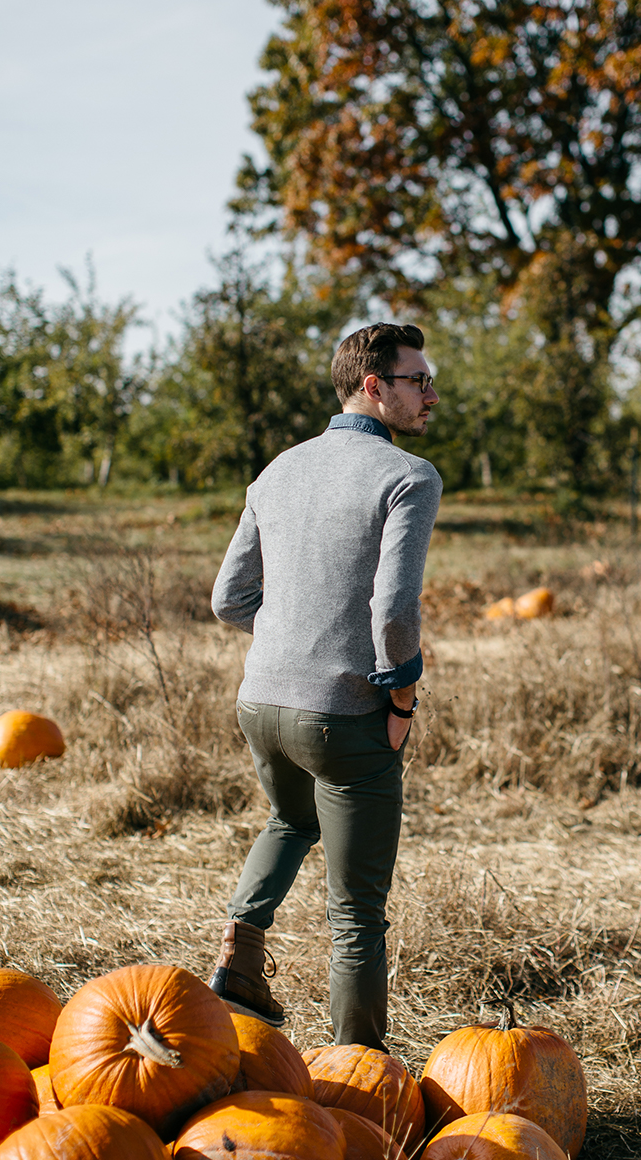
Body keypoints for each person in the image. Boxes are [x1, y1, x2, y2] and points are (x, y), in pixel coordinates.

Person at [207, 322, 442, 1050]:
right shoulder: (408, 476)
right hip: (344, 715)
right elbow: (394, 611)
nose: (431, 396)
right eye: (418, 382)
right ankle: (358, 1081)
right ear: (373, 386)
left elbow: (227, 599)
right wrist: (400, 697)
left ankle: (239, 964)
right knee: (357, 914)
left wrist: (288, 642)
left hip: (261, 703)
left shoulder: (277, 470)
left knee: (289, 822)